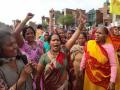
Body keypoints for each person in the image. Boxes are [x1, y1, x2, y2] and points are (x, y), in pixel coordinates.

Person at [36, 13, 86, 90]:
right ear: (49, 43)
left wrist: (81, 26)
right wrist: (38, 87)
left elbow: (73, 39)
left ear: (60, 42)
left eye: (57, 40)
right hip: (49, 87)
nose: (56, 42)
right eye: (53, 40)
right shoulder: (44, 57)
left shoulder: (64, 51)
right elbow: (38, 75)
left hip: (64, 87)